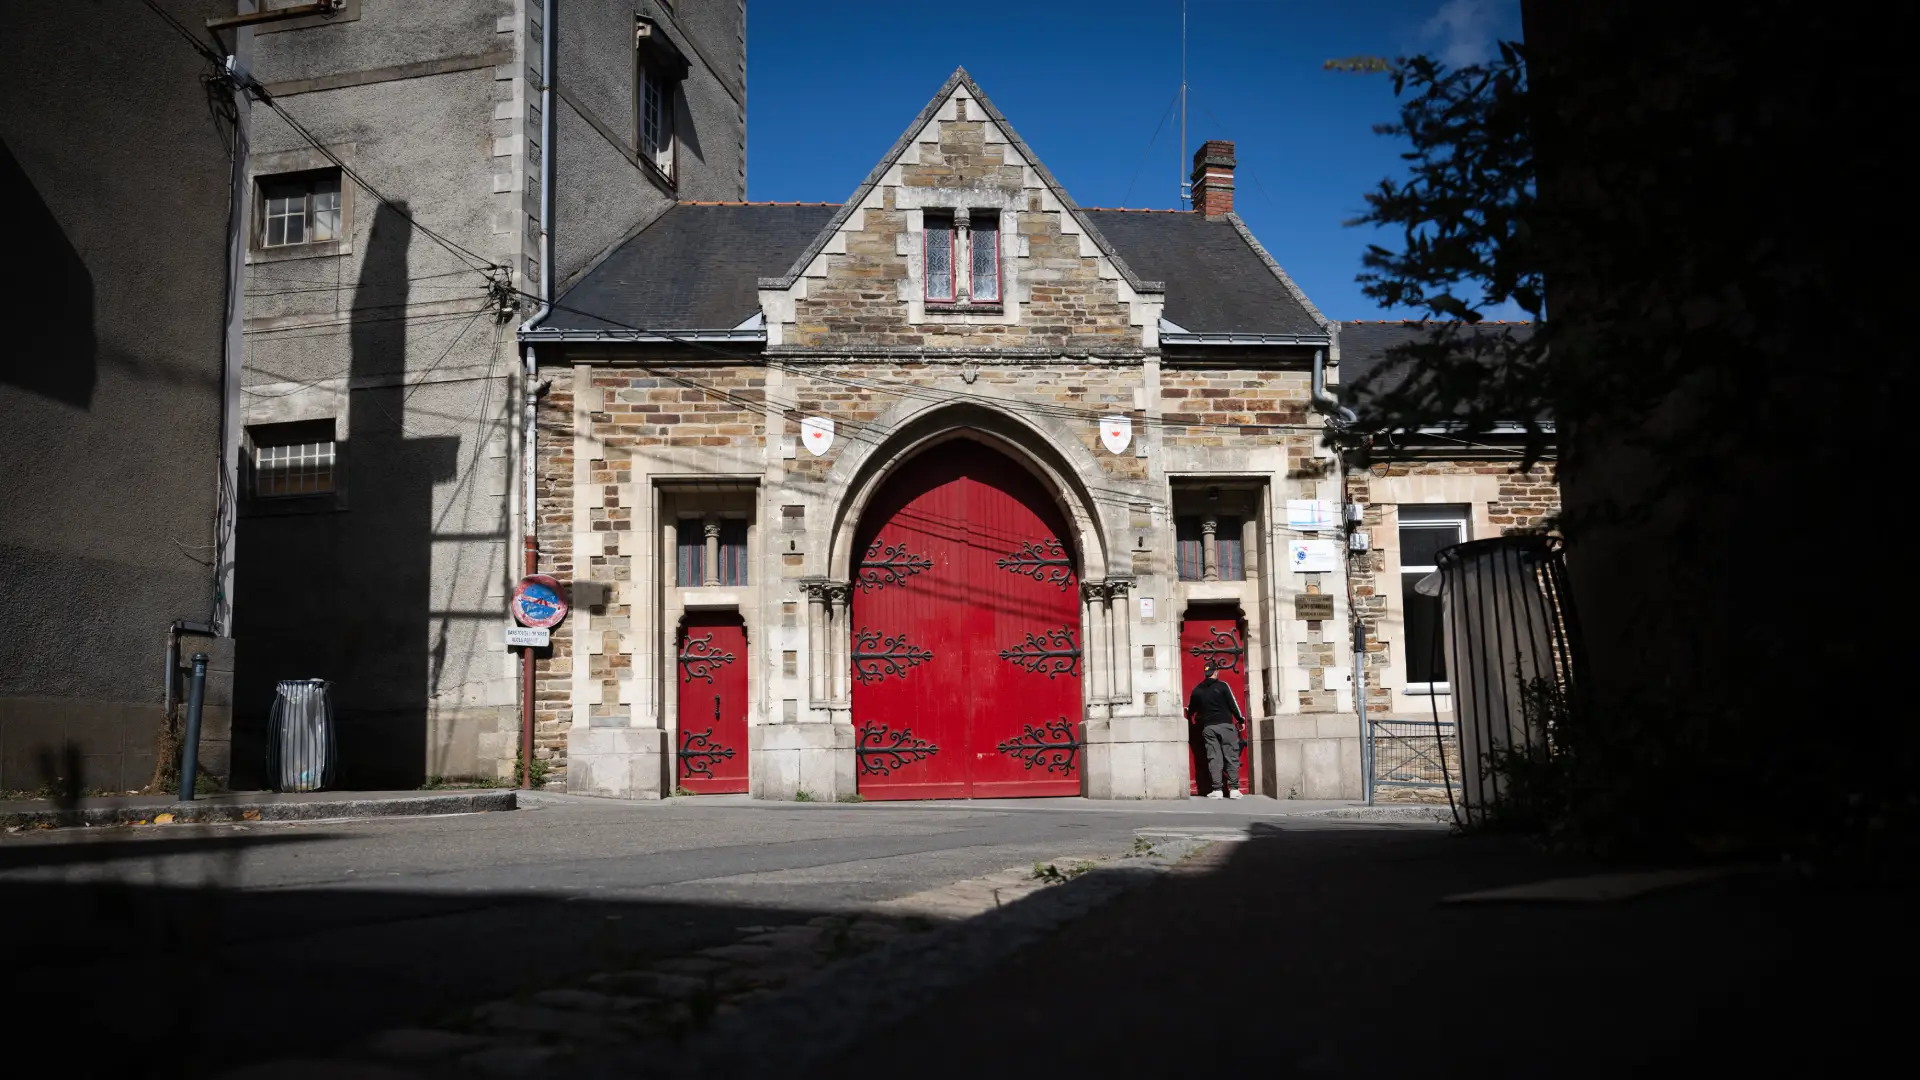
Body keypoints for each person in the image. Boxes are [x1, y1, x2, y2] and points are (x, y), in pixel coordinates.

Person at [1186, 662, 1246, 799]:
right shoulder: (1223, 686)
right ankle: (1234, 789)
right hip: (1225, 725)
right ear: (1216, 672)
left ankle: (1217, 790)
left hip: (1209, 728)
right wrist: (1240, 720)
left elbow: (1191, 709)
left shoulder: (1197, 690)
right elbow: (1233, 704)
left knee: (1214, 758)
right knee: (1230, 757)